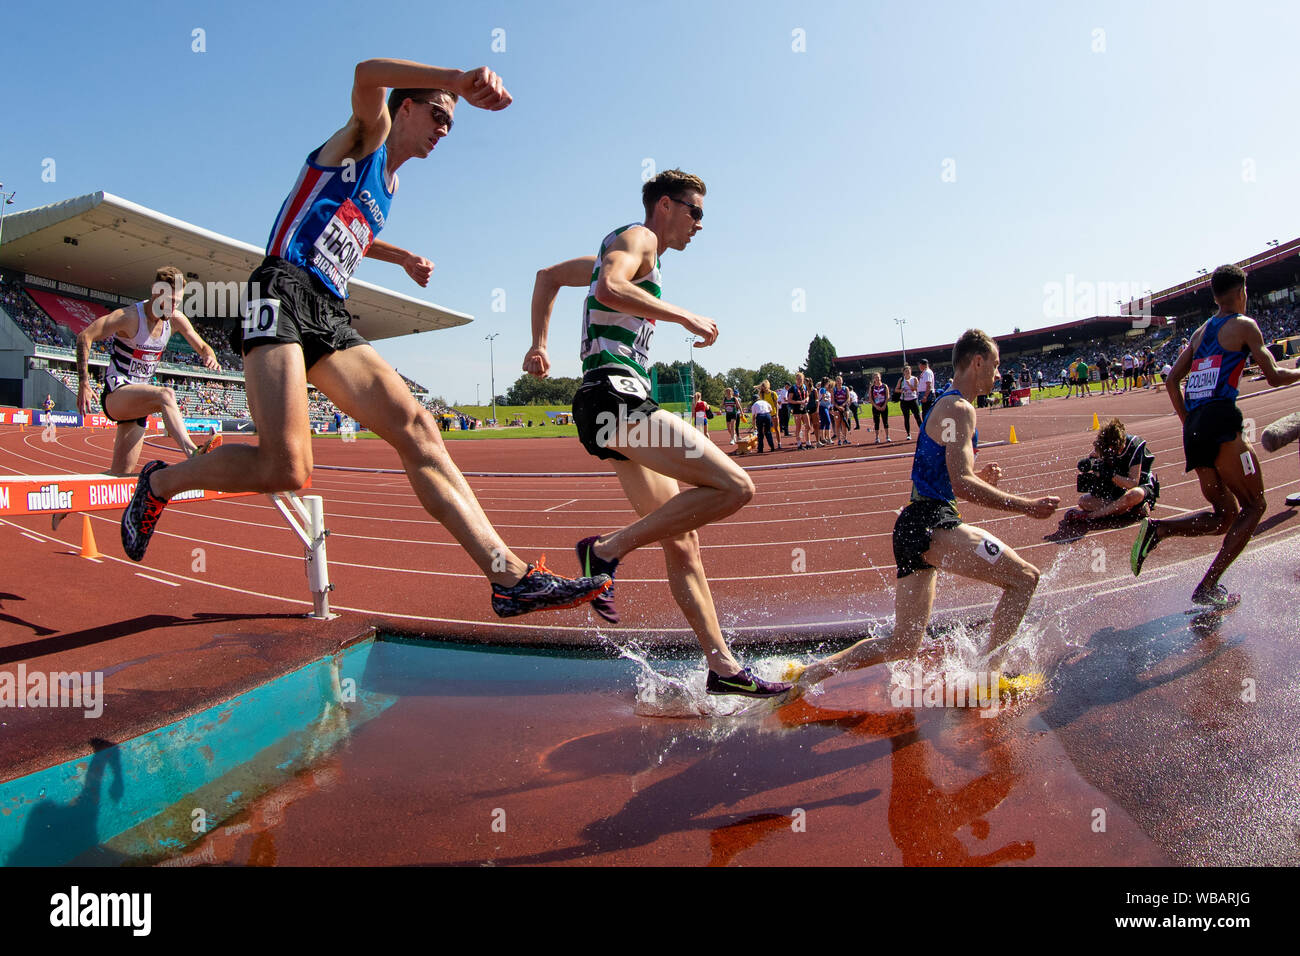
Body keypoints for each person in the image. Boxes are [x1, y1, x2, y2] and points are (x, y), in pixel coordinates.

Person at [122, 59, 611, 619]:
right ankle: (160, 482)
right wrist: (455, 79)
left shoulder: (391, 186)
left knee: (419, 427)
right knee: (286, 468)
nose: (443, 129)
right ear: (404, 107)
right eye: (437, 114)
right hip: (279, 291)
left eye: (450, 123)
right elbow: (364, 70)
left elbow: (354, 228)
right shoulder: (367, 137)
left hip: (328, 309)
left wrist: (398, 255)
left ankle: (508, 577)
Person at [525, 168, 789, 697]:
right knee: (737, 486)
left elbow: (547, 276)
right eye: (696, 212)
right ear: (665, 206)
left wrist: (539, 344)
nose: (699, 224)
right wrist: (683, 316)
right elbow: (610, 286)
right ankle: (604, 551)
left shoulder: (633, 253)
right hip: (615, 398)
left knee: (683, 542)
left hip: (611, 403)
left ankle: (723, 668)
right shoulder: (638, 238)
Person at [789, 330, 1060, 694]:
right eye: (995, 365)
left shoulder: (949, 404)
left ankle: (810, 673)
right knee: (1025, 578)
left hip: (914, 526)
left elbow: (947, 478)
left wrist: (979, 477)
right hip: (931, 524)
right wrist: (1026, 507)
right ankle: (988, 678)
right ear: (977, 362)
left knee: (903, 644)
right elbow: (961, 485)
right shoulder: (959, 409)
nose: (999, 374)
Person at [1131, 264, 1300, 606]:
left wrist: (1187, 421)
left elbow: (1170, 380)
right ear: (1241, 292)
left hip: (1194, 429)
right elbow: (1273, 375)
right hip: (1221, 423)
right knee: (1255, 505)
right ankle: (1207, 587)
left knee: (1224, 516)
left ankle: (1159, 529)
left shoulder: (1199, 332)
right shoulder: (1244, 325)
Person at [1064, 418, 1158, 523]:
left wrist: (1111, 475)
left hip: (1140, 488)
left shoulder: (1134, 445)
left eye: (1115, 449)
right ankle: (1127, 509)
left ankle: (1092, 516)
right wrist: (1092, 465)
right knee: (1083, 501)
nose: (1113, 452)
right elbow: (1092, 458)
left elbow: (1133, 483)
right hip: (1118, 492)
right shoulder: (1105, 446)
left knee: (1134, 494)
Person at [897, 364, 921, 440]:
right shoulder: (901, 380)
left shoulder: (914, 379)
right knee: (906, 418)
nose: (908, 372)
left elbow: (916, 389)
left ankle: (922, 432)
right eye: (906, 371)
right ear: (903, 372)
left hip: (913, 400)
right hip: (904, 401)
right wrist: (901, 390)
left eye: (909, 371)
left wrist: (909, 385)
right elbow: (896, 389)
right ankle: (908, 434)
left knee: (917, 417)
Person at [868, 372, 890, 443]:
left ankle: (887, 437)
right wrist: (876, 406)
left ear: (880, 377)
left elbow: (887, 396)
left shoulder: (884, 386)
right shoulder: (872, 387)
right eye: (875, 377)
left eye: (878, 377)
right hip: (875, 407)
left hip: (884, 406)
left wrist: (884, 405)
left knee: (885, 421)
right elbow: (870, 398)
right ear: (873, 379)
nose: (877, 378)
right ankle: (877, 437)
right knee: (876, 422)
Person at [831, 375, 852, 445]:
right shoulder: (834, 390)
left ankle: (845, 439)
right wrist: (838, 407)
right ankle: (839, 439)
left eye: (840, 381)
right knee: (837, 424)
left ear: (842, 381)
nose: (839, 382)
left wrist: (843, 405)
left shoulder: (845, 388)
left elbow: (848, 398)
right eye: (837, 381)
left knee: (844, 424)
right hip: (837, 408)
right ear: (836, 382)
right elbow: (833, 400)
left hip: (844, 407)